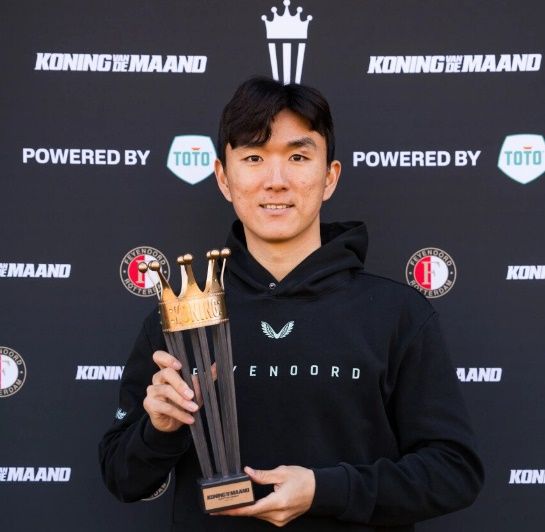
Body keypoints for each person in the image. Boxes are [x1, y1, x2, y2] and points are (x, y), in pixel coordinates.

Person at [99, 77, 484, 531]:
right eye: (254, 158)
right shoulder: (181, 318)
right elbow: (123, 477)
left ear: (330, 177)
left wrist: (326, 490)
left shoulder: (398, 314)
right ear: (223, 178)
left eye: (298, 157)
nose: (276, 181)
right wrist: (159, 429)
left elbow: (454, 472)